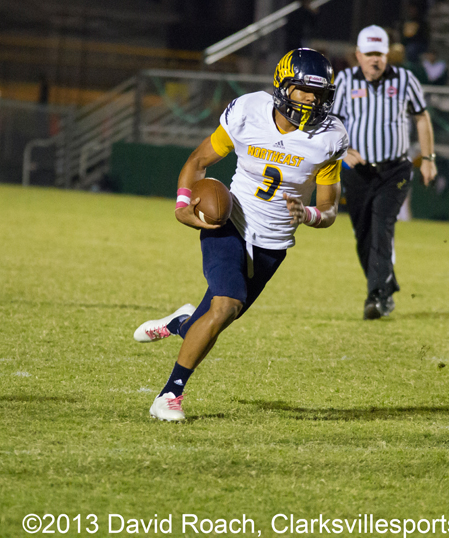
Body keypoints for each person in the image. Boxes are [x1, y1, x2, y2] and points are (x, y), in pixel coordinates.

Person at [133, 48, 348, 421]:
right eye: (304, 90)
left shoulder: (330, 136)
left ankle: (180, 323)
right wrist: (183, 203)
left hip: (273, 245)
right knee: (226, 306)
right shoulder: (249, 111)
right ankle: (169, 395)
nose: (313, 100)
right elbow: (199, 161)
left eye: (320, 93)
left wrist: (309, 213)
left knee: (215, 320)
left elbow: (329, 208)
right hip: (229, 223)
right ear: (283, 86)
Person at [331, 25, 437, 320]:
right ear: (358, 55)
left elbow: (422, 117)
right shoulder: (344, 80)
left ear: (387, 54)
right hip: (358, 171)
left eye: (379, 54)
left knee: (381, 225)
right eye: (369, 54)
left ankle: (376, 296)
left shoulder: (404, 79)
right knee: (363, 234)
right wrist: (343, 151)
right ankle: (385, 285)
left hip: (395, 170)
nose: (374, 60)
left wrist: (428, 158)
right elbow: (331, 122)